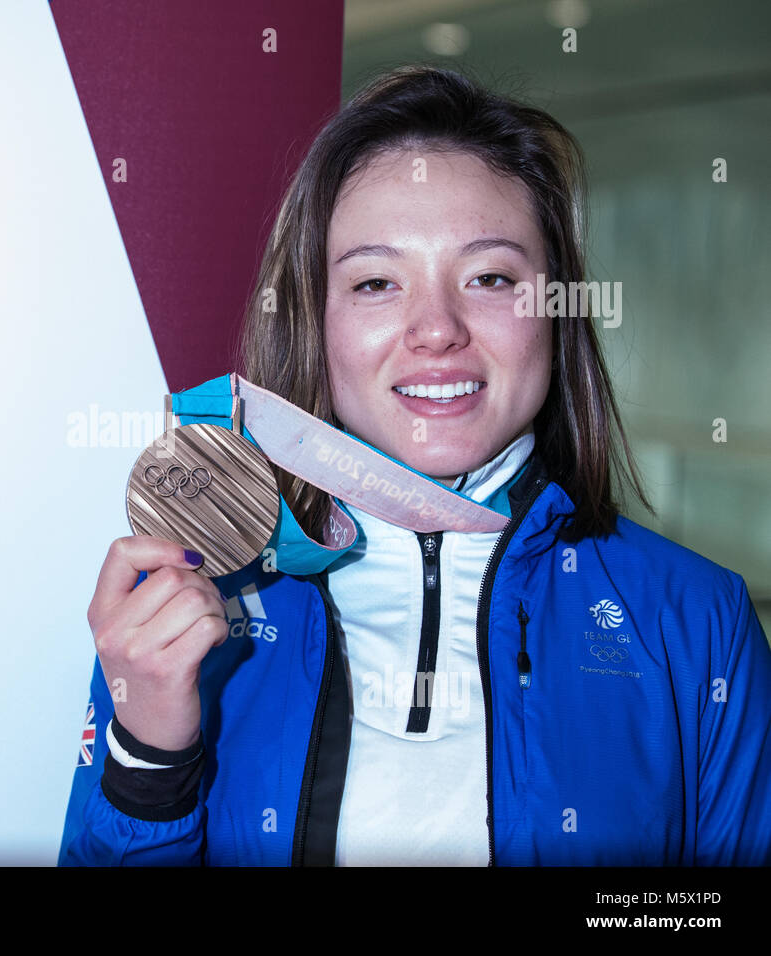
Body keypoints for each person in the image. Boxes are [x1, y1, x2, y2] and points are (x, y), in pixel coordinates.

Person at [58, 65, 771, 866]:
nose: (436, 329)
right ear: (314, 322)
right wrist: (150, 756)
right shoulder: (196, 609)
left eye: (491, 277)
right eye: (376, 283)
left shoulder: (697, 621)